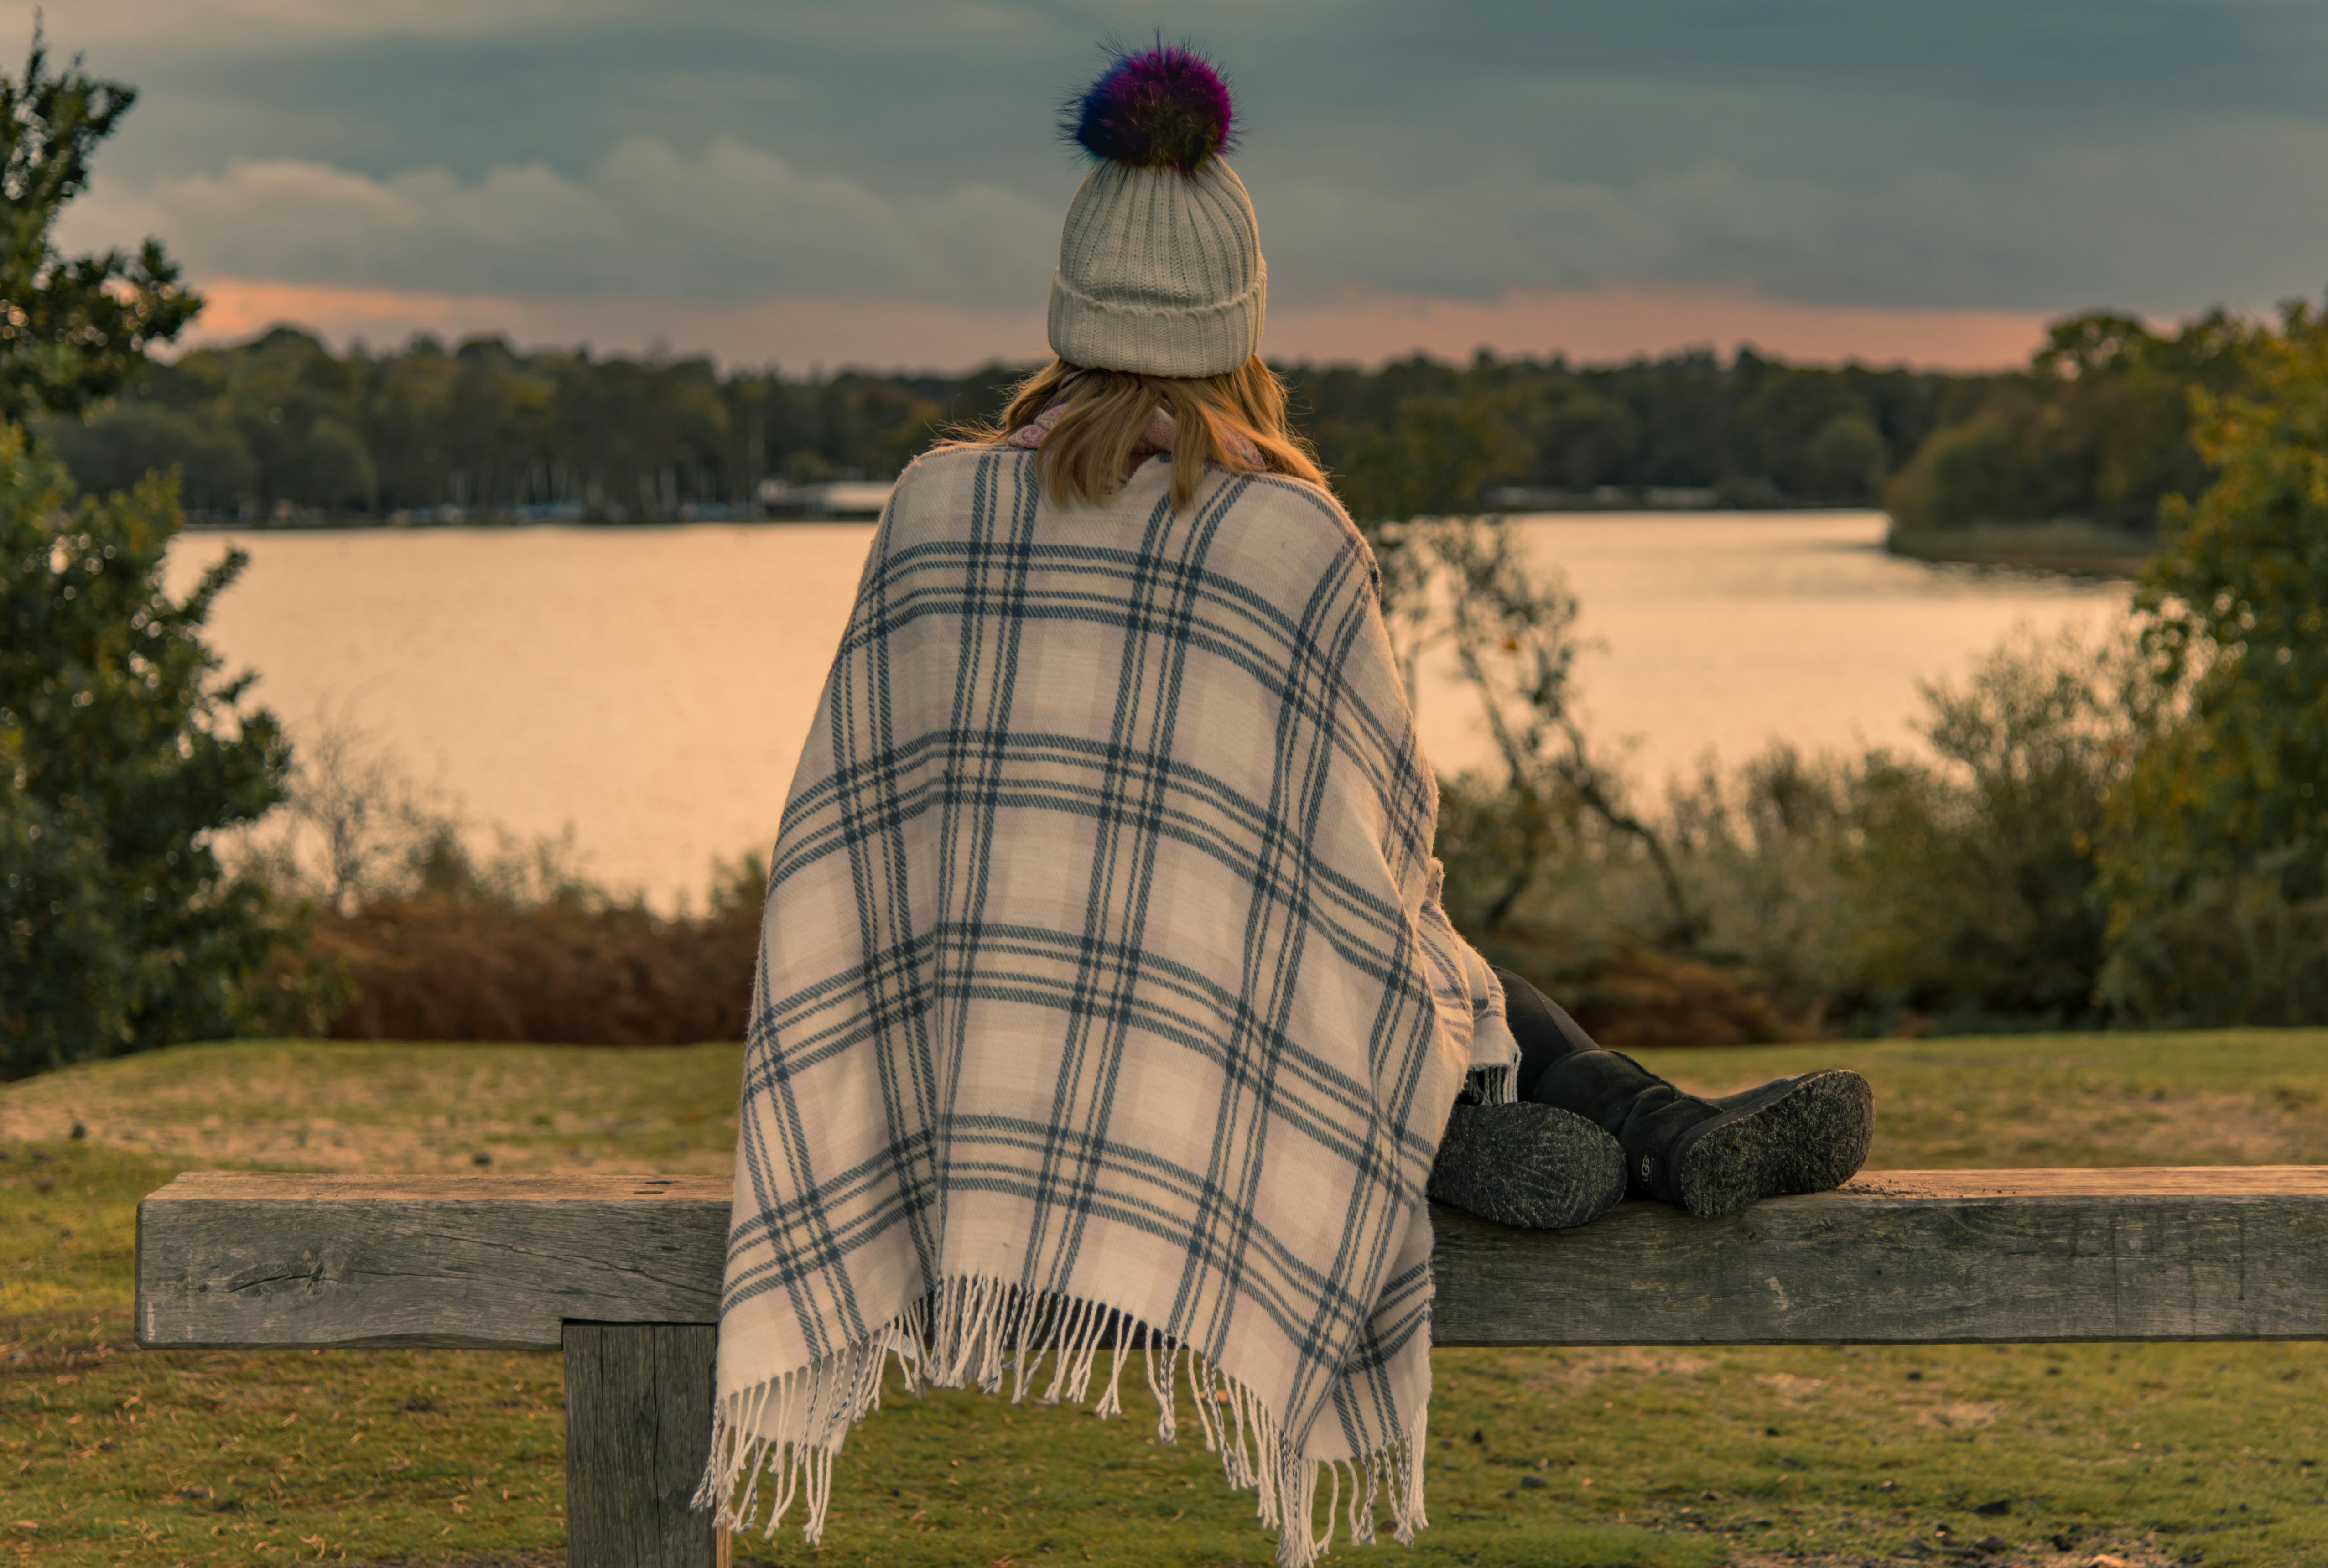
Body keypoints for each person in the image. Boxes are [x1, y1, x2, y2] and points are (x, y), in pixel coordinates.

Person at [700, 46, 1870, 1567]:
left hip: (971, 1085)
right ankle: (1572, 1118)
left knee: (1422, 987)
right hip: (1215, 1064)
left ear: (1070, 314)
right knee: (1456, 983)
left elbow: (845, 857)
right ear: (1238, 326)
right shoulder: (1286, 538)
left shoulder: (934, 513)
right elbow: (1378, 869)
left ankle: (1549, 1120)